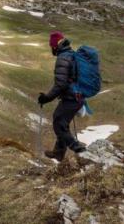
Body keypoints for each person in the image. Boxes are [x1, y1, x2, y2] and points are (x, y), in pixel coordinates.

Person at [38, 31, 86, 161]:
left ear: (55, 46)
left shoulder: (63, 58)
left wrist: (46, 98)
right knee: (61, 122)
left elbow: (60, 84)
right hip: (76, 97)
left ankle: (78, 148)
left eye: (51, 46)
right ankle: (58, 152)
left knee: (59, 123)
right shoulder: (71, 54)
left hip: (72, 98)